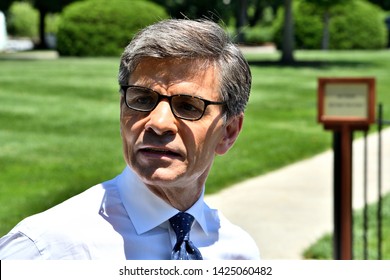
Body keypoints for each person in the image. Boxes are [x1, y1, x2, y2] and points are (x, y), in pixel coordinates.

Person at [0, 19, 260, 260]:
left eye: (189, 106)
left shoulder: (237, 251)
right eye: (142, 100)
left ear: (229, 132)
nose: (158, 123)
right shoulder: (48, 248)